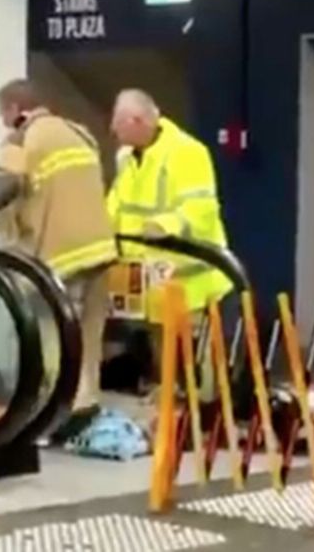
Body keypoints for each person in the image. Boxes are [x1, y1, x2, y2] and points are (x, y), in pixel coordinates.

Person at [0, 79, 118, 440]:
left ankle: (51, 415)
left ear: (14, 108)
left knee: (52, 336)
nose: (3, 121)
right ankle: (84, 407)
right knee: (87, 335)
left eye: (2, 113)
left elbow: (3, 186)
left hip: (61, 256)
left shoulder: (23, 139)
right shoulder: (80, 133)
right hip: (100, 250)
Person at [106, 89, 234, 396]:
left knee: (198, 355)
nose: (113, 130)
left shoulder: (187, 152)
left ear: (137, 121)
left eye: (118, 122)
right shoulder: (126, 158)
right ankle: (168, 397)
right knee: (160, 343)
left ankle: (207, 407)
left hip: (192, 279)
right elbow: (117, 203)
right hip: (150, 277)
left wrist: (164, 226)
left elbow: (200, 207)